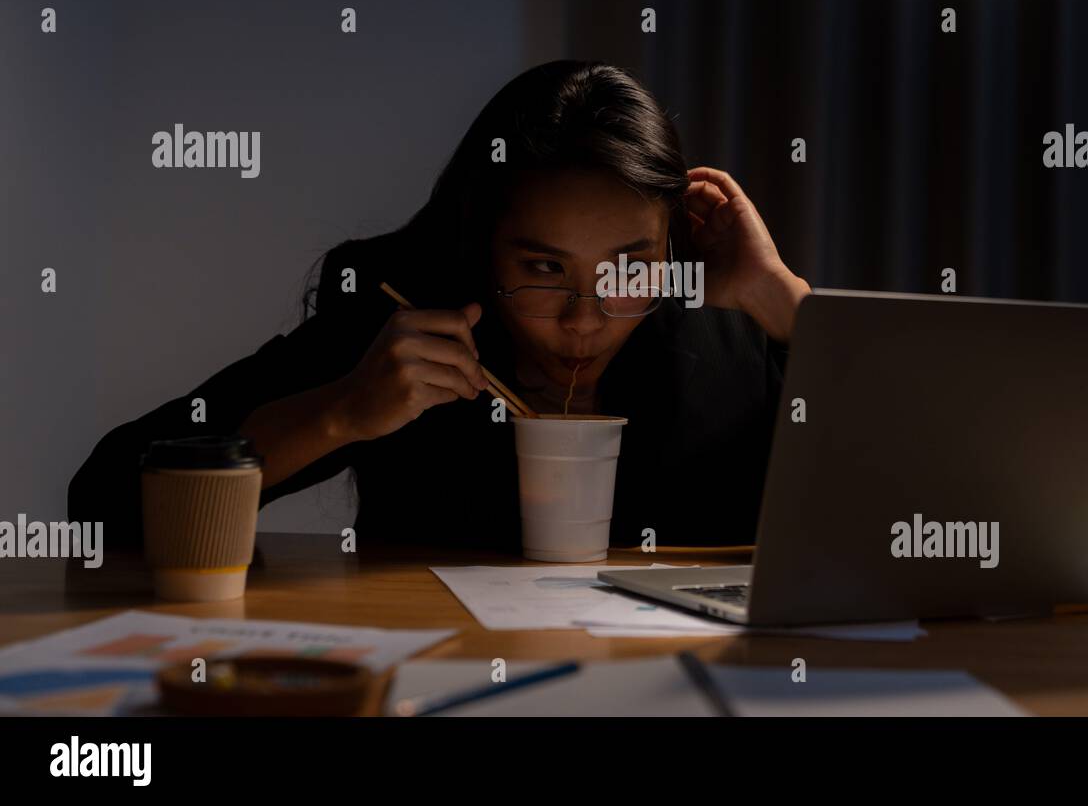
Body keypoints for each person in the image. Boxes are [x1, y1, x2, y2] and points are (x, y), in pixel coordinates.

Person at [68, 60, 812, 551]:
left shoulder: (731, 332)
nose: (585, 318)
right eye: (544, 268)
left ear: (672, 245)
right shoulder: (401, 324)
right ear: (482, 246)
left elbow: (919, 506)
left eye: (631, 268)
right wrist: (340, 413)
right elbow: (102, 504)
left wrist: (782, 297)